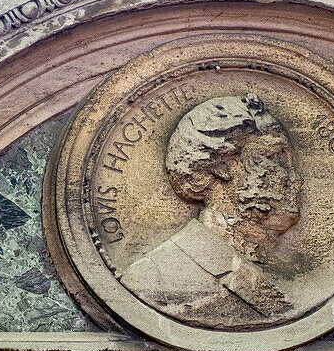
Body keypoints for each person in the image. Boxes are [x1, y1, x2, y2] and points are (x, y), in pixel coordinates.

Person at [120, 94, 304, 330]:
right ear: (222, 166)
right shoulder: (152, 279)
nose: (296, 179)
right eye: (276, 157)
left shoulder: (283, 268)